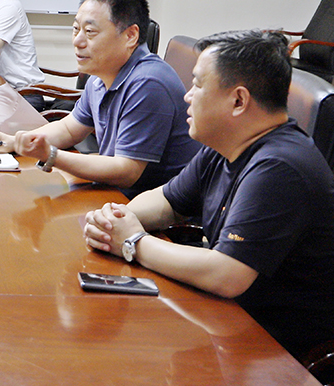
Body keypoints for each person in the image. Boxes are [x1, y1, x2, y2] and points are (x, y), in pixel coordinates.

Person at [83, 30, 334, 360]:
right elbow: (166, 202)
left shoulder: (280, 167)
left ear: (238, 100)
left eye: (198, 85)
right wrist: (114, 219)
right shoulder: (227, 144)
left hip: (276, 352)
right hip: (226, 320)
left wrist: (132, 242)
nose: (188, 96)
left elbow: (227, 275)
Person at [0, 0, 198, 197]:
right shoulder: (101, 76)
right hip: (115, 195)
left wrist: (51, 155)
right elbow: (69, 129)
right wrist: (15, 141)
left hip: (149, 208)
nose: (77, 41)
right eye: (75, 29)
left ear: (130, 36)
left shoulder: (149, 83)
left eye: (90, 32)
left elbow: (127, 172)